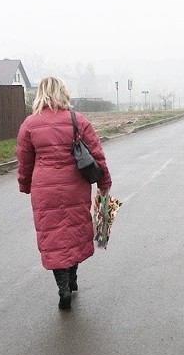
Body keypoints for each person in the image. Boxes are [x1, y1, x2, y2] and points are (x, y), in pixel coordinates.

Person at [17, 77, 112, 311]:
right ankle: (72, 277)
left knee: (54, 237)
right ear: (63, 93)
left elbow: (24, 162)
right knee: (74, 232)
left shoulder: (29, 124)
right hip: (75, 185)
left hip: (44, 189)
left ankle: (63, 288)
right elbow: (97, 154)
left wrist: (25, 185)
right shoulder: (77, 120)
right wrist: (104, 182)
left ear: (40, 94)